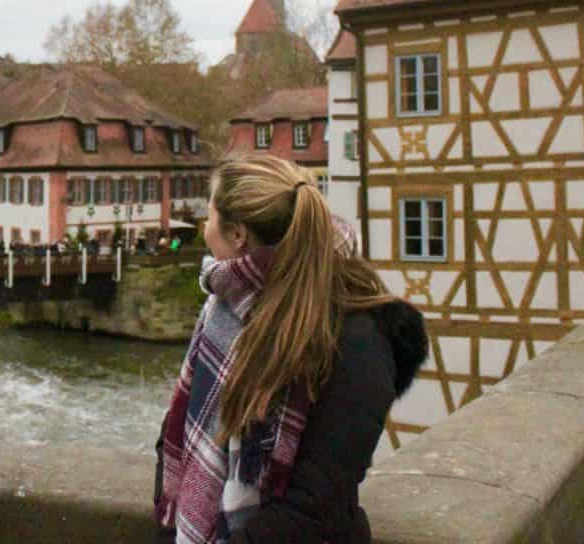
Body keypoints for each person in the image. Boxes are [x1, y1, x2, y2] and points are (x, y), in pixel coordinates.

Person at [154, 155, 428, 544]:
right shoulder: (224, 310)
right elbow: (175, 433)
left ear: (237, 236)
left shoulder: (357, 337)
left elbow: (314, 504)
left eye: (211, 216)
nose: (203, 227)